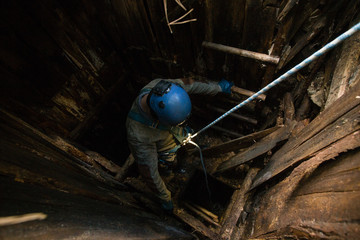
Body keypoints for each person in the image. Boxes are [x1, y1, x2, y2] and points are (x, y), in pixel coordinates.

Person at [126, 77, 233, 212]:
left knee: (187, 140)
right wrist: (164, 197)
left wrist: (217, 87)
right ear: (158, 119)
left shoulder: (164, 88)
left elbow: (192, 84)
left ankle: (189, 151)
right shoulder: (138, 135)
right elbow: (149, 172)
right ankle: (169, 171)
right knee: (168, 165)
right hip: (165, 151)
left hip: (179, 135)